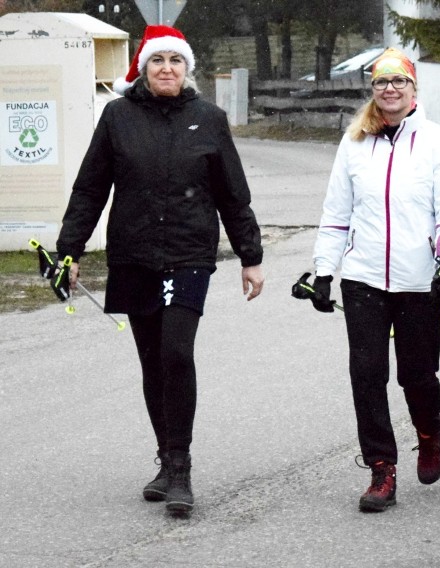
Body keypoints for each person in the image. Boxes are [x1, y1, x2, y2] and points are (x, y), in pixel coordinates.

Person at [56, 25, 265, 515]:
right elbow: (90, 189)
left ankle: (181, 468)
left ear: (186, 69)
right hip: (134, 255)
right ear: (143, 69)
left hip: (190, 254)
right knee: (152, 361)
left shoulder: (208, 119)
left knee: (175, 351)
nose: (167, 68)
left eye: (175, 60)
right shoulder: (117, 118)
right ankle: (166, 460)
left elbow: (233, 193)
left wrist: (250, 256)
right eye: (157, 61)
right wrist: (71, 249)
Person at [309, 48, 440, 512]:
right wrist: (325, 271)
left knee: (416, 375)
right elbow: (336, 214)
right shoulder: (355, 141)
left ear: (414, 90)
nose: (390, 90)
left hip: (420, 279)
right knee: (367, 373)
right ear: (373, 91)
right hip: (362, 280)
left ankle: (429, 432)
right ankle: (382, 469)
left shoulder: (438, 141)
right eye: (382, 83)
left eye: (399, 82)